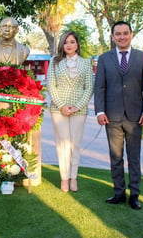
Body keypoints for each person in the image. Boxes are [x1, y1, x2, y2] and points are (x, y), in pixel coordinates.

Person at [94, 21, 143, 210]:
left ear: (131, 34)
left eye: (125, 33)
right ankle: (118, 192)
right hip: (111, 117)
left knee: (134, 158)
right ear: (113, 37)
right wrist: (100, 111)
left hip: (136, 117)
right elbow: (100, 87)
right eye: (118, 34)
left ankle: (134, 195)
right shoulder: (104, 59)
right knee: (116, 157)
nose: (122, 37)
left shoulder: (142, 58)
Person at [47, 31, 94, 193]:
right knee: (63, 145)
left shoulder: (85, 63)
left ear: (77, 45)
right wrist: (62, 106)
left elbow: (89, 88)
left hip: (78, 110)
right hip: (58, 109)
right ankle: (64, 178)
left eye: (72, 42)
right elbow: (51, 85)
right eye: (66, 42)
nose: (69, 45)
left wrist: (77, 106)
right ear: (62, 45)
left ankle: (73, 177)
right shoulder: (54, 62)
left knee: (75, 144)